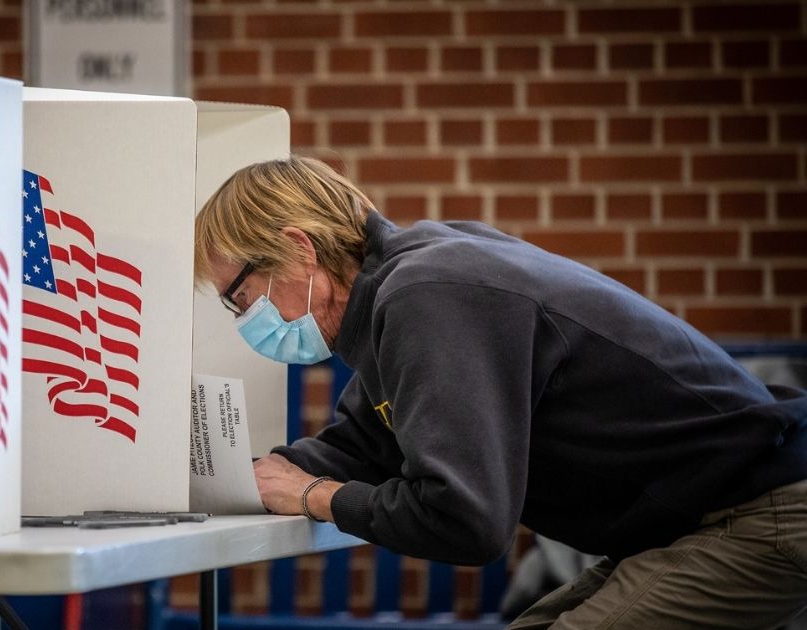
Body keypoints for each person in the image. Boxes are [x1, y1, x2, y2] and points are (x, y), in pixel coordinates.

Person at [194, 155, 807, 629]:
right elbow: (363, 443)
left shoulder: (427, 295)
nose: (244, 316)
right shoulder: (401, 290)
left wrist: (310, 495)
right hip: (699, 516)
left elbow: (466, 521)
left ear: (299, 248)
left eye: (240, 295)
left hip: (761, 509)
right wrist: (230, 478)